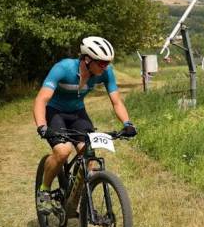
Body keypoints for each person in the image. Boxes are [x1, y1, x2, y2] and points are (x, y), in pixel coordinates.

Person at [33, 36, 136, 213]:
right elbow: (41, 99)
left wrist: (128, 123)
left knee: (89, 155)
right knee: (63, 151)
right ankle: (44, 191)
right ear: (87, 59)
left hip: (78, 113)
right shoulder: (63, 68)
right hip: (55, 112)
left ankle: (73, 201)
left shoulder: (105, 72)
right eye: (102, 63)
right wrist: (42, 127)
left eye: (108, 63)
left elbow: (117, 101)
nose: (106, 67)